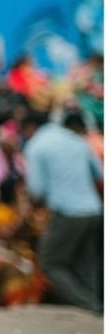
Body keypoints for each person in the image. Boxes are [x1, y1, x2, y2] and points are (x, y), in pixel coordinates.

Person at [25, 111, 103, 313]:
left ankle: (89, 306)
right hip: (94, 210)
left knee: (50, 264)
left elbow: (36, 189)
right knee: (87, 265)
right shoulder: (78, 141)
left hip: (67, 212)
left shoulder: (36, 145)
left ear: (30, 128)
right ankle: (96, 311)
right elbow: (98, 173)